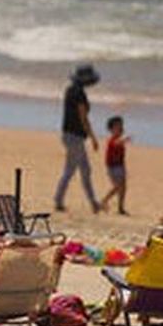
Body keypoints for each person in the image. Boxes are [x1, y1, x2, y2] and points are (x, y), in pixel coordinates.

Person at [54, 64, 101, 213]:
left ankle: (93, 203)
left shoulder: (70, 90)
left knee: (85, 170)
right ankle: (58, 200)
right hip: (75, 137)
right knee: (71, 170)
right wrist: (93, 137)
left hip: (69, 135)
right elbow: (83, 118)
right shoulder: (79, 94)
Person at [100, 115, 130, 215]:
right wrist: (123, 140)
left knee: (123, 187)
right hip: (113, 167)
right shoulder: (112, 140)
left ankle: (120, 207)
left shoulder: (118, 139)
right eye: (118, 126)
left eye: (121, 126)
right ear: (111, 129)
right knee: (117, 187)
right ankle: (104, 200)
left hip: (120, 166)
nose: (121, 128)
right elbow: (116, 143)